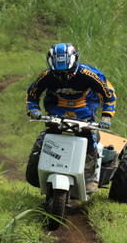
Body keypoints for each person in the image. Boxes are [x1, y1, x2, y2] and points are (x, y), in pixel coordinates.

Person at [25, 42, 117, 193]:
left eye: (68, 72)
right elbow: (32, 94)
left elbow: (109, 94)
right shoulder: (46, 76)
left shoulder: (89, 74)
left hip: (84, 108)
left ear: (75, 62)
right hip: (57, 109)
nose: (64, 77)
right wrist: (33, 109)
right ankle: (37, 172)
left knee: (88, 139)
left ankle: (90, 177)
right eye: (59, 74)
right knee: (46, 139)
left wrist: (106, 116)